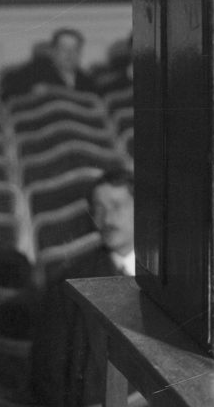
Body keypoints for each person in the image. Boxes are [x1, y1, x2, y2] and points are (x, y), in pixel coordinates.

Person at [30, 168, 135, 407]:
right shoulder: (70, 285)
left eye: (117, 206)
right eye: (98, 209)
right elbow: (48, 379)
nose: (107, 219)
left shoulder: (171, 277)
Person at [1, 26, 94, 99]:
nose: (69, 54)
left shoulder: (86, 80)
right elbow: (7, 91)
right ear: (53, 51)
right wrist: (31, 92)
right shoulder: (36, 70)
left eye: (75, 50)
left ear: (80, 53)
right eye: (64, 49)